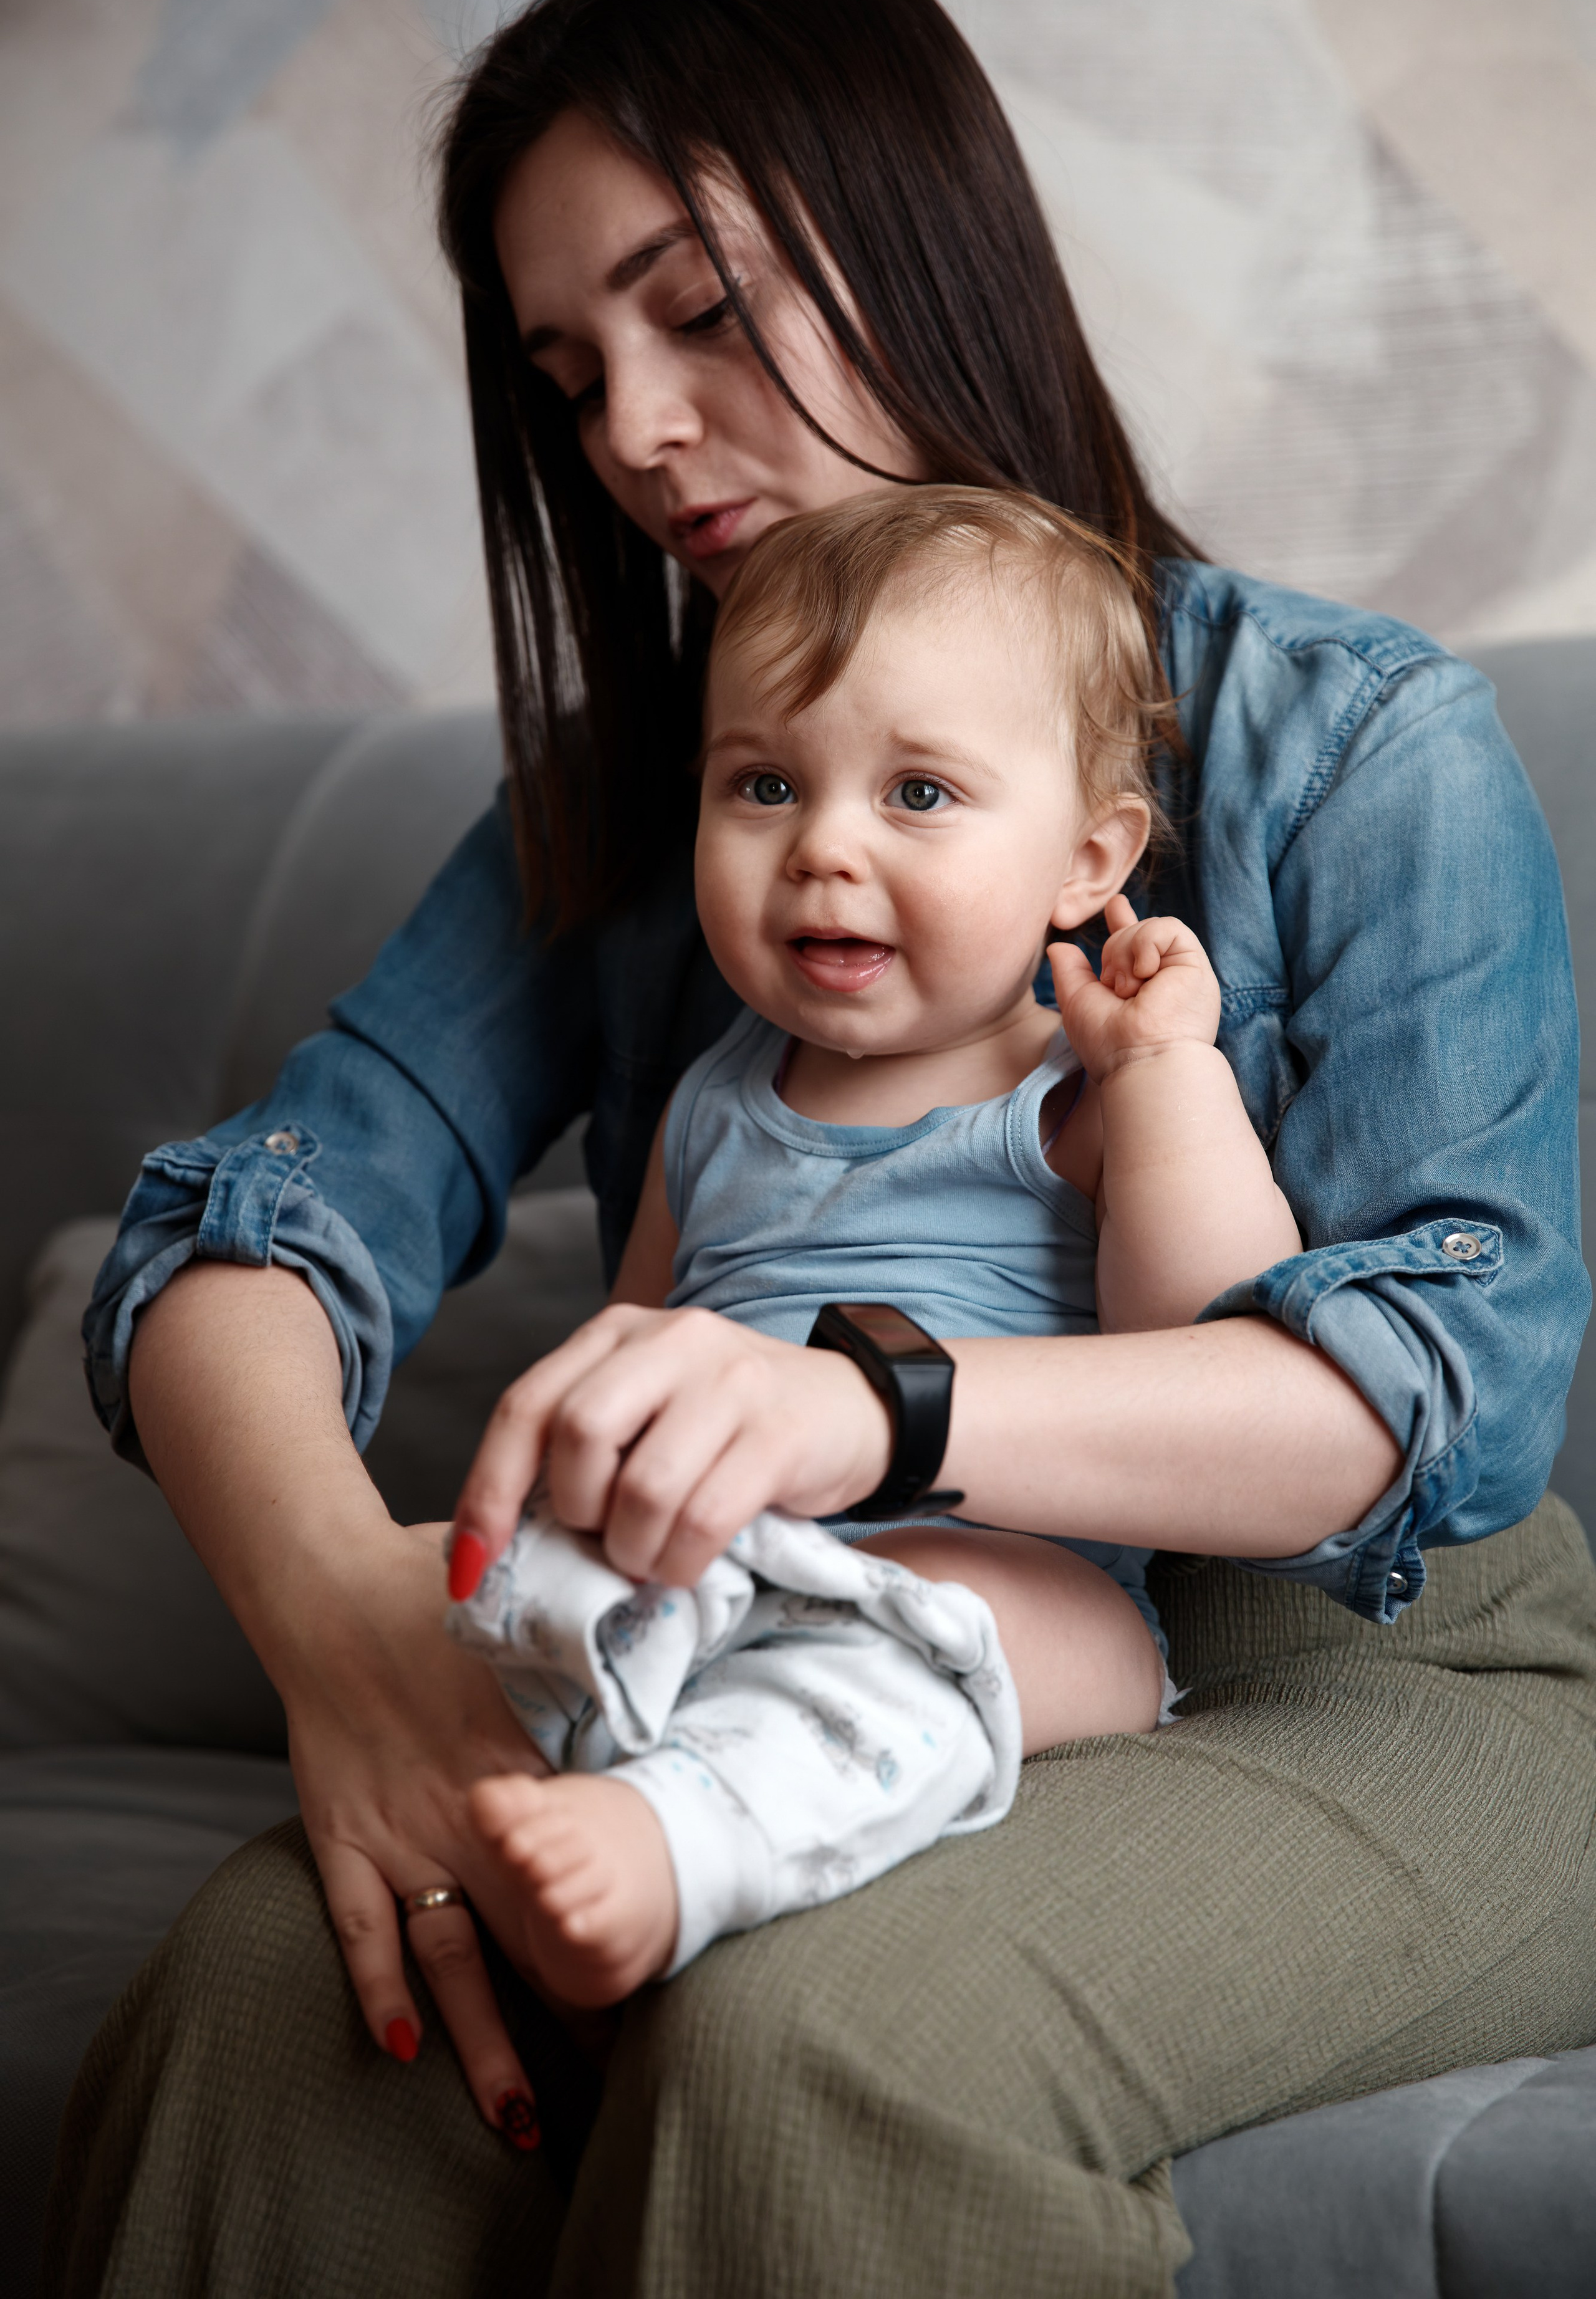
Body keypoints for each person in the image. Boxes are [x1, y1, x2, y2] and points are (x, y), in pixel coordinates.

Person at [48, 0, 1595, 2295]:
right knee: (290, 1990)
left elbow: (1434, 1411)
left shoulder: (1355, 742)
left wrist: (861, 1408)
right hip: (800, 1641)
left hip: (1364, 1687)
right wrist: (350, 1642)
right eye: (570, 372)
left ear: (913, 229)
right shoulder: (661, 815)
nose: (635, 438)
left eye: (701, 310)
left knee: (806, 2037)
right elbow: (249, 1223)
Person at [452, 484, 1302, 2006]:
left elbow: (1213, 1335)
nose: (822, 850)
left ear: (1085, 864)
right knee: (503, 1597)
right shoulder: (713, 1100)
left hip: (976, 1576)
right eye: (763, 786)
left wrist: (1166, 1074)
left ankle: (683, 1838)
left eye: (916, 796)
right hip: (713, 1551)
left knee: (981, 1647)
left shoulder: (1070, 1096)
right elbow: (635, 1343)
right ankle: (594, 1763)